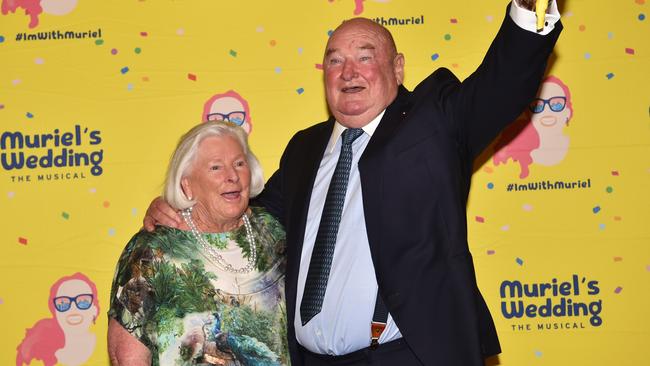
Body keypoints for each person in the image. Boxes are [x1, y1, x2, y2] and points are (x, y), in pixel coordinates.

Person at [145, 1, 563, 364]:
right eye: (334, 60)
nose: (348, 72)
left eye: (365, 57)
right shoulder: (304, 149)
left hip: (408, 356)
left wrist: (528, 10)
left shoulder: (433, 122)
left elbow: (501, 85)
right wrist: (183, 210)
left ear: (397, 69)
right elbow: (248, 222)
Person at [109, 121, 288, 365]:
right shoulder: (153, 250)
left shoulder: (273, 232)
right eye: (216, 167)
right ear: (187, 185)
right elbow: (126, 356)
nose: (232, 176)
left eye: (239, 163)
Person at [493, 75, 573, 178]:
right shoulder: (513, 158)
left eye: (556, 104)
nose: (547, 110)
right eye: (538, 105)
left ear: (568, 111)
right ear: (528, 114)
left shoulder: (585, 149)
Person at [16, 272, 100, 366]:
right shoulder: (43, 355)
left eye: (84, 301)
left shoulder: (109, 343)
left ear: (95, 309)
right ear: (55, 312)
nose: (73, 308)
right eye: (63, 303)